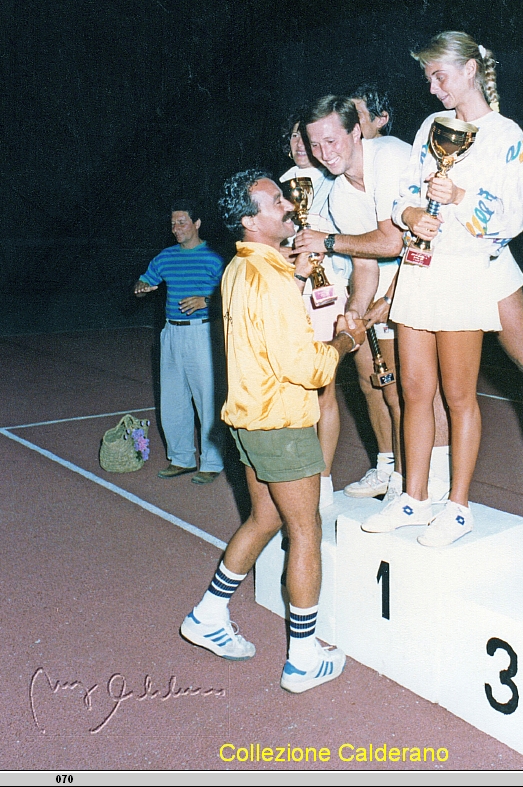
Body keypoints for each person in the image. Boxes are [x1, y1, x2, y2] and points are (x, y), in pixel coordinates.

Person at [180, 170, 365, 692]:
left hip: (246, 420)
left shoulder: (241, 266)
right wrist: (347, 339)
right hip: (281, 423)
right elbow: (309, 369)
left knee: (264, 518)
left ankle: (207, 615)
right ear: (249, 220)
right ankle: (303, 659)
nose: (288, 204)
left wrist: (298, 275)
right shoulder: (272, 279)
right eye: (277, 200)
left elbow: (269, 312)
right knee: (305, 531)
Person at [361, 32, 523, 545]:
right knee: (415, 393)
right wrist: (411, 213)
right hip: (419, 270)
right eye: (429, 79)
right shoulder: (432, 127)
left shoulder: (507, 135)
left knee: (459, 397)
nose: (434, 89)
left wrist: (459, 198)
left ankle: (458, 507)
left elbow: (513, 219)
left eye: (441, 76)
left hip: (466, 274)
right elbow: (406, 195)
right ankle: (413, 498)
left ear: (472, 69)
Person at [295, 96, 411, 501]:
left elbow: (392, 240)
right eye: (316, 146)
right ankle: (386, 468)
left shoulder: (390, 157)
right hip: (383, 279)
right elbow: (365, 265)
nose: (324, 154)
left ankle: (411, 480)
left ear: (356, 131)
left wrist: (327, 241)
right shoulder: (339, 194)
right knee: (370, 381)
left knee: (402, 390)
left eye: (332, 141)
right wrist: (355, 312)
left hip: (426, 276)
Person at [279, 108, 352, 508]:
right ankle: (297, 474)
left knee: (324, 387)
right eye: (293, 138)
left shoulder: (335, 180)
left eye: (306, 139)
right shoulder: (278, 187)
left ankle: (323, 479)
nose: (299, 146)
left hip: (327, 290)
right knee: (293, 387)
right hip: (292, 289)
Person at [134, 200, 225, 484]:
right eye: (173, 224)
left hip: (203, 333)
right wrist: (141, 288)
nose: (176, 229)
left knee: (207, 398)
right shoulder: (165, 257)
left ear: (197, 224)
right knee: (172, 399)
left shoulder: (214, 257)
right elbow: (142, 283)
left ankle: (212, 462)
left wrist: (206, 300)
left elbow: (232, 295)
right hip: (171, 333)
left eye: (182, 222)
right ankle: (182, 458)